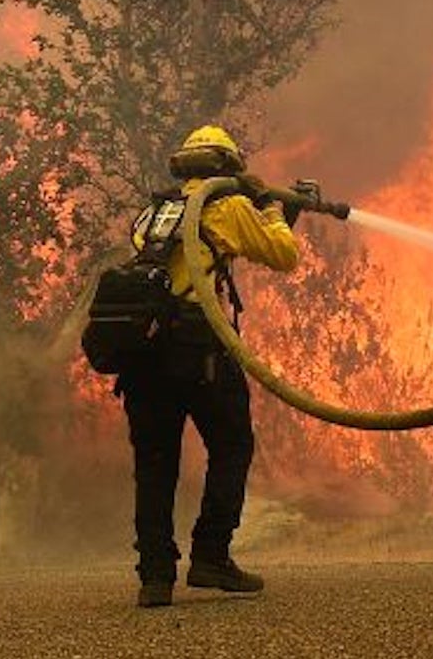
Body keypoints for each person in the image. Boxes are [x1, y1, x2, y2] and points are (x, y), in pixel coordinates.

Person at [119, 124, 301, 608]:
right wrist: (273, 210)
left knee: (155, 465)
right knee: (232, 445)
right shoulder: (229, 205)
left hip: (143, 352)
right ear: (228, 169)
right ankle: (211, 557)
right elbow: (284, 254)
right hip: (200, 348)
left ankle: (155, 578)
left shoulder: (156, 211)